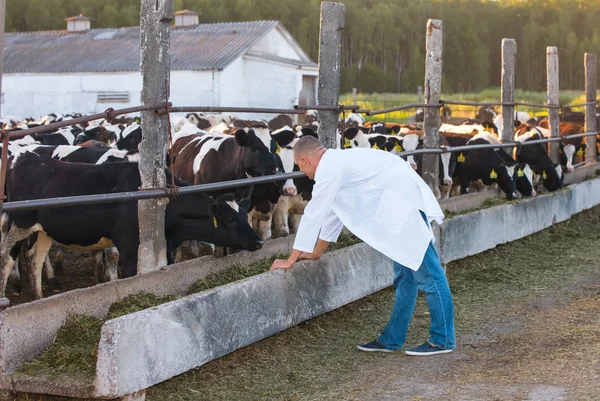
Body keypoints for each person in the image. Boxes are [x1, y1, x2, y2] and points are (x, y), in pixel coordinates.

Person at [270, 136, 456, 356]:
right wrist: (316, 252)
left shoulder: (330, 168)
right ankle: (391, 340)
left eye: (300, 166)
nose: (302, 172)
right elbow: (332, 213)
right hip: (396, 210)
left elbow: (314, 213)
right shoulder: (335, 165)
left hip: (405, 210)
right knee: (405, 277)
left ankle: (443, 339)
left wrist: (291, 259)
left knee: (430, 275)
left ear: (305, 160)